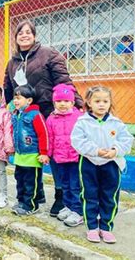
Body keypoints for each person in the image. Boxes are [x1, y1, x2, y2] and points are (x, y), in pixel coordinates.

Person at [3, 19, 84, 217]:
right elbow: (8, 87)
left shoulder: (49, 54)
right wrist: (11, 109)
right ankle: (36, 196)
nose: (24, 35)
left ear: (34, 35)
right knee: (30, 155)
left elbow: (64, 81)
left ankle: (61, 196)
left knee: (54, 155)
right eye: (20, 32)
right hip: (25, 115)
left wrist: (79, 104)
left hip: (49, 112)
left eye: (28, 32)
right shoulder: (12, 62)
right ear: (16, 37)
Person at [71, 86, 133, 244]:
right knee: (89, 194)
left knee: (109, 196)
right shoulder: (82, 122)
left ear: (110, 103)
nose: (101, 104)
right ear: (89, 103)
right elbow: (77, 141)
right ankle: (92, 227)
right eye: (97, 101)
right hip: (89, 163)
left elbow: (126, 140)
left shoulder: (116, 123)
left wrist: (115, 150)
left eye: (105, 101)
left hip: (111, 164)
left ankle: (106, 227)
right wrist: (95, 151)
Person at [46, 84, 83, 227]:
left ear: (72, 102)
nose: (63, 104)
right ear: (54, 102)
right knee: (64, 185)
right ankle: (68, 207)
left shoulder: (79, 117)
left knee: (75, 185)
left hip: (74, 158)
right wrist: (48, 154)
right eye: (59, 101)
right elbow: (50, 137)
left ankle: (78, 211)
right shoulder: (51, 119)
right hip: (59, 158)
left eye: (66, 101)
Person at [11, 84, 50, 216]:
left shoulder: (35, 115)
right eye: (14, 98)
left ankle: (31, 205)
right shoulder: (16, 114)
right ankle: (21, 201)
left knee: (30, 182)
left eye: (19, 98)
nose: (15, 101)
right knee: (19, 179)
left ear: (29, 100)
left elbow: (43, 134)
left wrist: (44, 153)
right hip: (20, 155)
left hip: (32, 156)